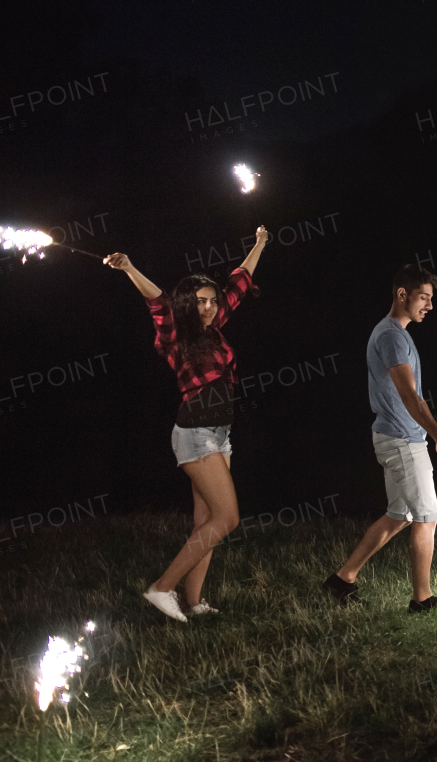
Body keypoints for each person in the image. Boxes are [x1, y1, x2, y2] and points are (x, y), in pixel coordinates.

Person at [105, 226, 268, 622]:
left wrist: (260, 243)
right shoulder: (176, 332)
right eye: (200, 302)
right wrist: (129, 268)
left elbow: (238, 284)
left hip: (219, 435)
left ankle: (194, 603)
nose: (209, 307)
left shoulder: (215, 326)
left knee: (205, 521)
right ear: (187, 305)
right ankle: (162, 588)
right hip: (195, 433)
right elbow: (157, 300)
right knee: (227, 519)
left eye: (212, 301)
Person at [323, 265, 437, 615]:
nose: (429, 306)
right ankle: (422, 600)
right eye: (423, 297)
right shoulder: (390, 336)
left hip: (405, 436)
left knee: (400, 515)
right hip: (401, 440)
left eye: (431, 299)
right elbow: (408, 396)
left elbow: (416, 395)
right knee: (427, 517)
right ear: (402, 294)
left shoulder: (397, 334)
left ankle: (342, 580)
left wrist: (431, 435)